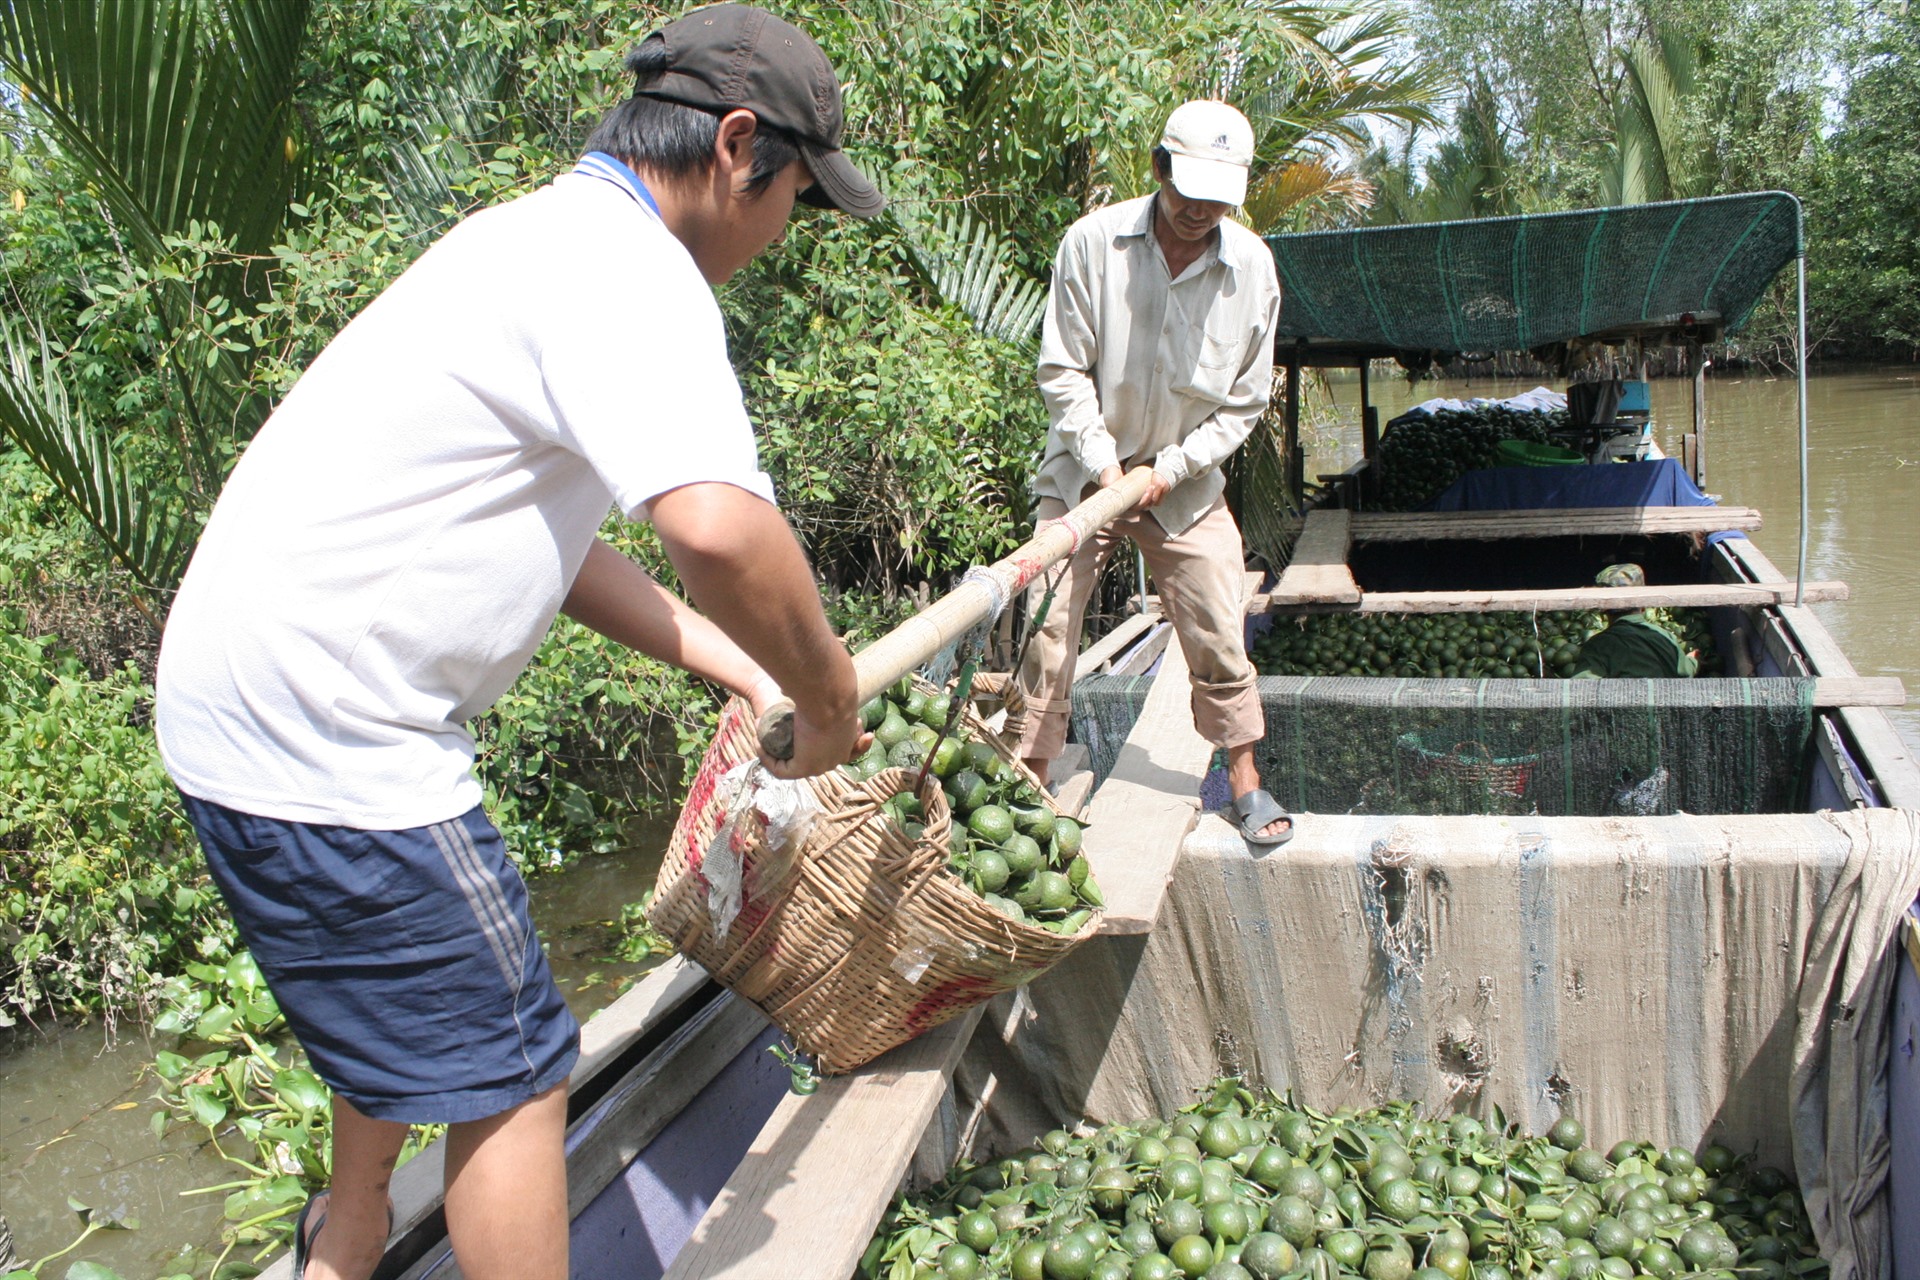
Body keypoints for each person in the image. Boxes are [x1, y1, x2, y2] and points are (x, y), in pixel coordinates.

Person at [153, 7, 879, 1277]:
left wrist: (740, 666)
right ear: (738, 146)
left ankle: (352, 1229)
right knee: (522, 1068)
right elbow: (717, 529)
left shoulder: (531, 238)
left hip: (237, 699)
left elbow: (554, 547)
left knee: (413, 989)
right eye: (799, 204)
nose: (782, 238)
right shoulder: (631, 270)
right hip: (334, 736)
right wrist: (827, 696)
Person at [1014, 99, 1292, 846]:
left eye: (1218, 197)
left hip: (1186, 484)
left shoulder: (1253, 271)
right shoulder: (1093, 244)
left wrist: (1173, 466)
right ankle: (1032, 781)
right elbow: (1063, 370)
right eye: (1188, 189)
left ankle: (1245, 780)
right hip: (1084, 473)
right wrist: (1106, 466)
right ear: (1158, 168)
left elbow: (1243, 405)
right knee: (1046, 624)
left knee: (1217, 620)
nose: (1200, 209)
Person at [1573, 564, 1699, 678]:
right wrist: (1693, 660)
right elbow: (1685, 672)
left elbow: (1582, 692)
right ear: (1643, 605)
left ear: (1602, 609)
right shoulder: (1664, 637)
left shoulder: (1598, 646)